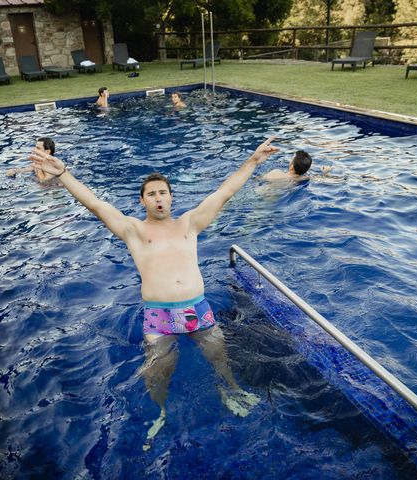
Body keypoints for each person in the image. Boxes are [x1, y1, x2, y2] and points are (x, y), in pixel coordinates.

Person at [29, 136, 280, 449]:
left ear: (172, 198)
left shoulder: (190, 224)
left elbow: (225, 192)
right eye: (152, 194)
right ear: (142, 201)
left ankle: (231, 389)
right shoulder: (133, 230)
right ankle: (159, 411)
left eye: (163, 192)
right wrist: (63, 173)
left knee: (219, 355)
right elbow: (94, 203)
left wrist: (254, 161)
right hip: (158, 316)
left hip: (197, 309)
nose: (158, 198)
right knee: (158, 371)